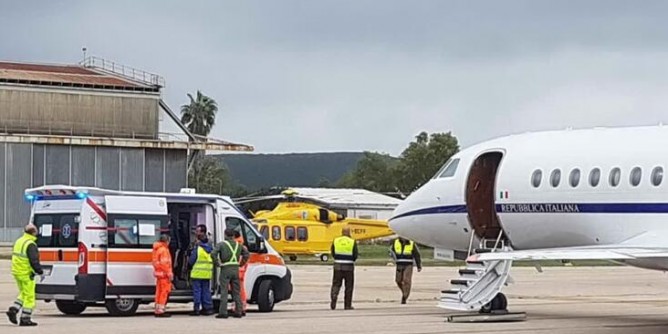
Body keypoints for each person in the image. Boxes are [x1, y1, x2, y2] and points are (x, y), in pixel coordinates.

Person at [6, 224, 42, 327]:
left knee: (24, 293)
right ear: (33, 232)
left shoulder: (19, 241)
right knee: (30, 296)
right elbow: (33, 260)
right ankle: (25, 318)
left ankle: (13, 309)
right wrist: (39, 271)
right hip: (27, 273)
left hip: (17, 272)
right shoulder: (30, 244)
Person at [212, 229, 249, 319]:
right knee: (236, 292)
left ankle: (223, 312)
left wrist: (217, 263)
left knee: (224, 291)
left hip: (225, 269)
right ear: (233, 236)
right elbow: (246, 254)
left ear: (225, 235)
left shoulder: (221, 244)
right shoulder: (239, 245)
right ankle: (239, 311)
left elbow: (213, 253)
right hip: (235, 269)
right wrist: (241, 263)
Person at [188, 225, 214, 316]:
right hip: (206, 273)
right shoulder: (210, 246)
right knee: (206, 291)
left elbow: (191, 260)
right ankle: (207, 308)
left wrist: (188, 266)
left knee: (197, 292)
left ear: (203, 232)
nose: (196, 233)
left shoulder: (198, 248)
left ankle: (196, 309)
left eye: (198, 231)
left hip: (197, 273)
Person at [330, 227, 358, 310]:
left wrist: (338, 259)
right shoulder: (352, 241)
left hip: (337, 266)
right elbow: (355, 254)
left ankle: (334, 296)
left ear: (342, 232)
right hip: (349, 267)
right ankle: (347, 305)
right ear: (349, 232)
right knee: (349, 286)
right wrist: (351, 260)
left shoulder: (336, 240)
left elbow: (333, 252)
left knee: (336, 284)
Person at [390, 237, 422, 304]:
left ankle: (404, 297)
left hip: (408, 264)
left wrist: (418, 265)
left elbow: (417, 254)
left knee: (406, 280)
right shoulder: (395, 242)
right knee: (398, 280)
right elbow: (392, 251)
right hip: (399, 264)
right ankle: (404, 292)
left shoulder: (411, 243)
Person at [152, 234, 173, 318]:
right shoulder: (164, 250)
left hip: (159, 274)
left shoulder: (157, 249)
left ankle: (157, 309)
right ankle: (161, 310)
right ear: (166, 241)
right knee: (164, 292)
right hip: (164, 275)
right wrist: (169, 274)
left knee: (159, 292)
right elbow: (165, 264)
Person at [233, 230, 248, 315]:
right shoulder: (242, 244)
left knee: (237, 291)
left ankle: (238, 308)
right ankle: (242, 307)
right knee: (241, 290)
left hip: (237, 270)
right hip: (241, 270)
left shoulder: (236, 245)